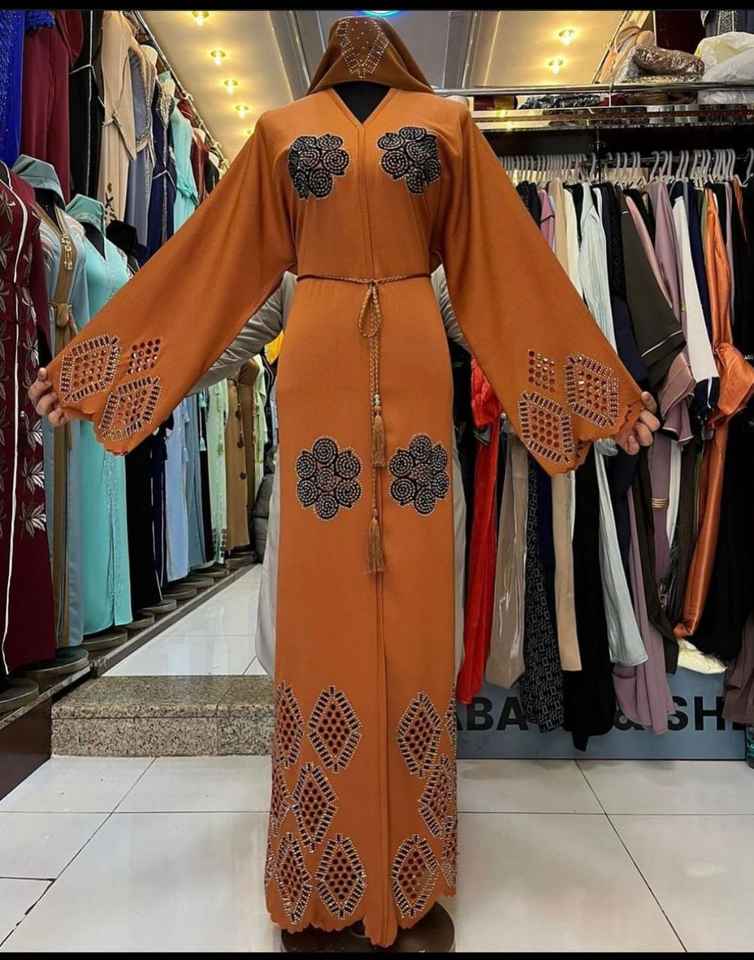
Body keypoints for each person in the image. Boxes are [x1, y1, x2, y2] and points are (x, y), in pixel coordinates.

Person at [29, 15, 659, 948]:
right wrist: (102, 367)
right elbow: (207, 270)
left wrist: (600, 392)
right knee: (318, 627)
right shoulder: (280, 134)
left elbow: (507, 276)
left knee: (414, 630)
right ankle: (320, 871)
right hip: (319, 385)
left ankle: (409, 871)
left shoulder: (448, 129)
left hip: (413, 388)